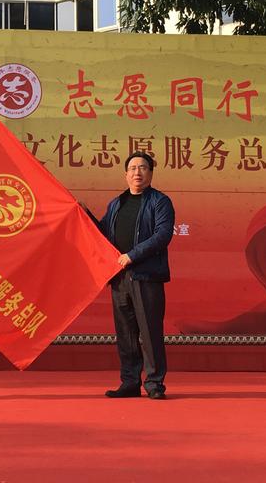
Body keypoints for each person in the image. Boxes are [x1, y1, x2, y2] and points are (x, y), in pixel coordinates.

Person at [94, 151, 175, 400]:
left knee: (150, 332)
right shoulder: (116, 204)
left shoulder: (160, 202)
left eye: (142, 167)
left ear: (151, 173)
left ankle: (154, 384)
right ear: (125, 175)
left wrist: (132, 255)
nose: (137, 172)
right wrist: (82, 214)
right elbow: (101, 233)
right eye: (132, 168)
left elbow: (163, 235)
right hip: (120, 278)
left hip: (146, 276)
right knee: (126, 334)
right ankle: (129, 382)